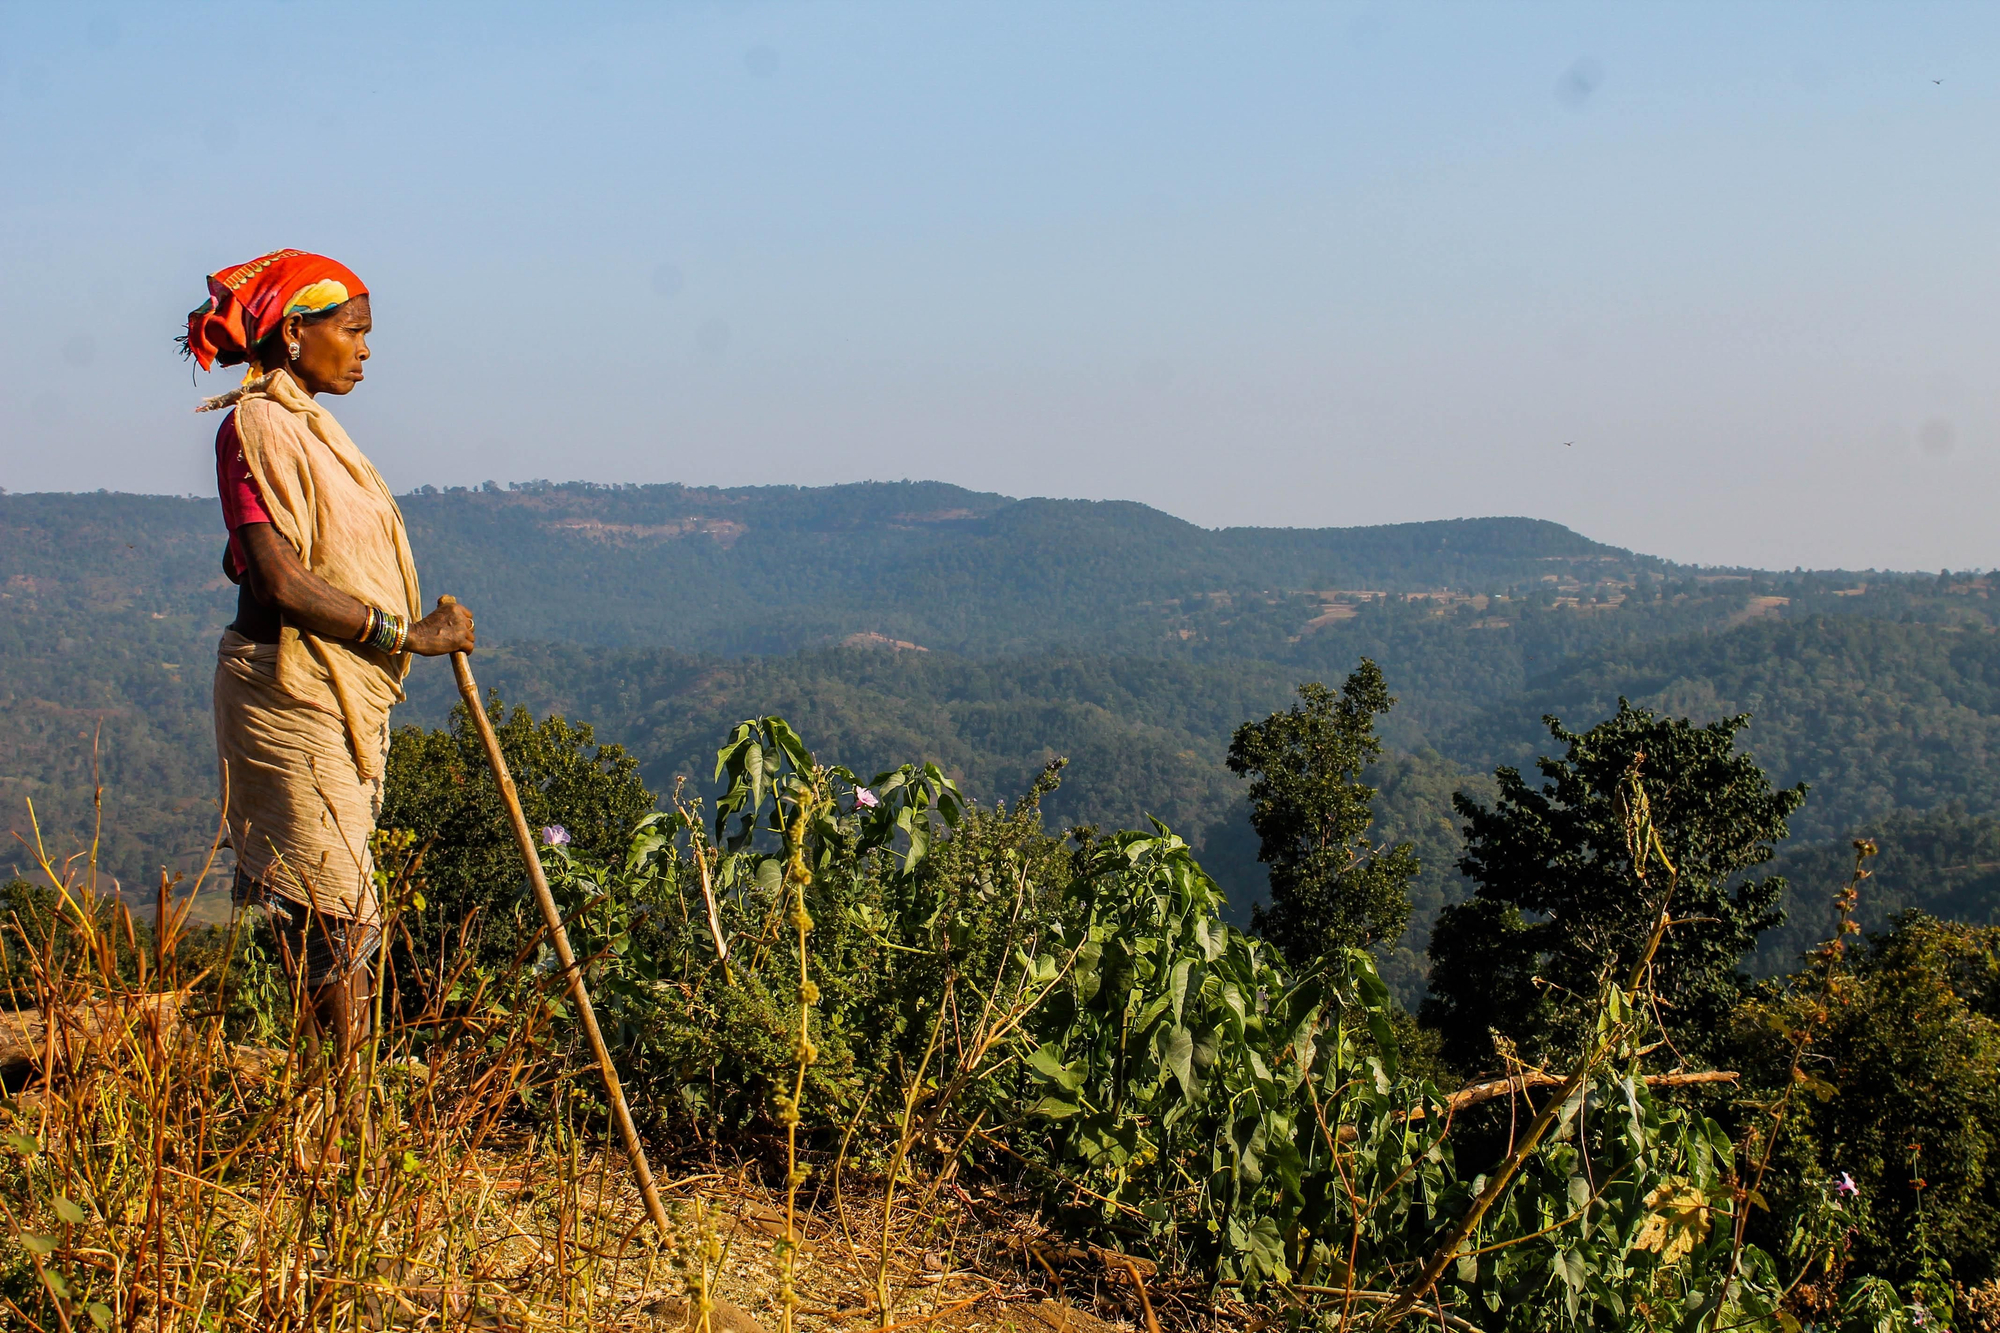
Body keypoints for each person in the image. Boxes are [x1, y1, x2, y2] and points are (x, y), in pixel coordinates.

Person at [182, 250, 475, 1057]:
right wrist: (407, 633)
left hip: (327, 688)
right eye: (352, 331)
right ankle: (343, 1109)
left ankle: (327, 1100)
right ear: (294, 329)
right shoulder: (255, 426)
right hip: (285, 688)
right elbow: (278, 579)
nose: (365, 350)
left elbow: (268, 553)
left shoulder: (307, 428)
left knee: (330, 902)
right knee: (337, 902)